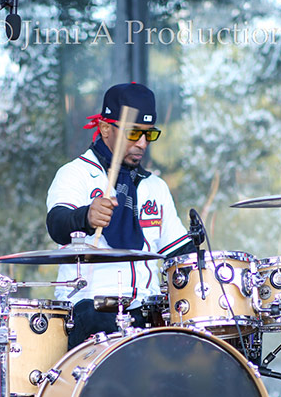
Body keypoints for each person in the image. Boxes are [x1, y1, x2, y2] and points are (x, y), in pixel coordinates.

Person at [45, 83, 195, 348]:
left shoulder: (154, 186)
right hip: (91, 310)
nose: (142, 143)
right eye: (133, 133)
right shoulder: (75, 174)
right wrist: (86, 218)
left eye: (150, 135)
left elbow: (180, 252)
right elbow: (57, 224)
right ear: (104, 129)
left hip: (146, 315)